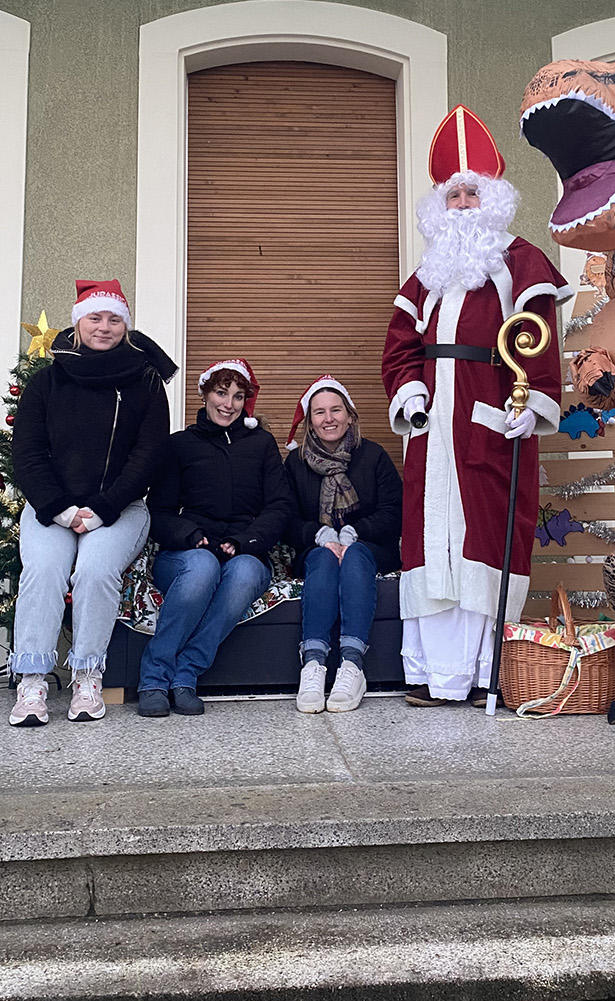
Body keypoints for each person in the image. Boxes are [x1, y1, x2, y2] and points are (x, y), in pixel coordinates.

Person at [382, 104, 569, 707]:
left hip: (490, 421)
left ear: (491, 198)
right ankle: (429, 674)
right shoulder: (426, 275)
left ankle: (473, 675)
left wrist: (532, 403)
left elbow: (538, 340)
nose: (461, 204)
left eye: (470, 193)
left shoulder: (522, 262)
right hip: (431, 427)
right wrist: (411, 396)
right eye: (452, 195)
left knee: (481, 541)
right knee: (429, 542)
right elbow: (400, 347)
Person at [9, 279, 175, 726]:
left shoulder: (145, 382)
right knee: (43, 571)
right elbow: (27, 453)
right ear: (78, 323)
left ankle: (87, 676)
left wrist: (103, 508)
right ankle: (32, 680)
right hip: (52, 508)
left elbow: (149, 454)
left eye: (114, 319)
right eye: (95, 318)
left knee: (97, 571)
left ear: (125, 326)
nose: (104, 327)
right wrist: (61, 509)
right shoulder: (47, 382)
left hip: (120, 509)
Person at [137, 359, 292, 718]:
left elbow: (279, 506)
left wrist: (246, 541)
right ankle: (154, 678)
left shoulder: (261, 444)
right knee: (203, 568)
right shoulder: (180, 445)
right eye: (221, 393)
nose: (229, 403)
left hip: (245, 548)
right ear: (204, 393)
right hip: (189, 550)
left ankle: (186, 674)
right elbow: (157, 512)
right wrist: (190, 535)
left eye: (238, 396)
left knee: (245, 575)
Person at [284, 376, 402, 714]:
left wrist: (353, 533)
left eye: (336, 410)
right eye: (319, 412)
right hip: (316, 547)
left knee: (353, 558)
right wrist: (319, 535)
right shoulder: (295, 464)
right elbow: (286, 517)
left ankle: (352, 666)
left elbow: (394, 511)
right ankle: (314, 665)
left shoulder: (374, 456)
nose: (329, 418)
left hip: (370, 547)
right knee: (323, 560)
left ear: (350, 415)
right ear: (310, 421)